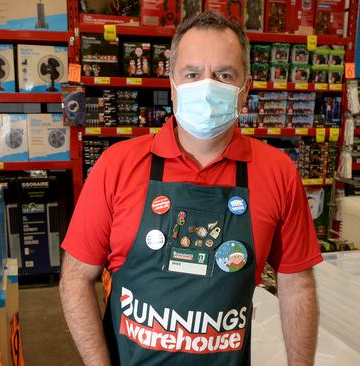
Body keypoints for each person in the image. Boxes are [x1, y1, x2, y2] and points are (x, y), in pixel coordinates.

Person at [60, 11, 321, 366]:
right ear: (172, 84)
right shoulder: (117, 166)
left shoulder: (278, 173)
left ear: (245, 89)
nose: (207, 86)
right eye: (193, 74)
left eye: (224, 75)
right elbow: (76, 278)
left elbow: (297, 285)